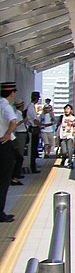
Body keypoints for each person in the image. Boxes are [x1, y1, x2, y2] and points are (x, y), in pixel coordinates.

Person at [0, 83, 20, 222]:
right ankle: (0, 213)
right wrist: (8, 134)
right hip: (4, 145)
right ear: (11, 93)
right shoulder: (6, 106)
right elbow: (13, 122)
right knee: (3, 180)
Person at [26, 91, 40, 173]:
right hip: (33, 129)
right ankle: (32, 167)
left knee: (34, 149)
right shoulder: (31, 108)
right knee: (33, 149)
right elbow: (35, 120)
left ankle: (33, 165)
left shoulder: (31, 107)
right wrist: (42, 125)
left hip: (33, 129)